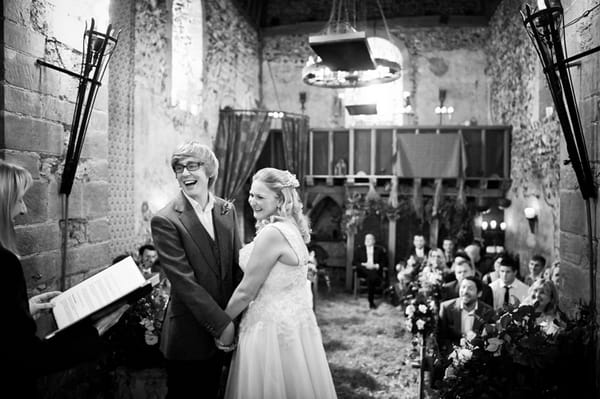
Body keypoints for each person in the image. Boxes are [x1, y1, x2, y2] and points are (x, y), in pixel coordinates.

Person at [0, 160, 128, 398]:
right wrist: (97, 331)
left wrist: (21, 310)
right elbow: (28, 358)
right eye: (19, 199)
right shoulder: (4, 264)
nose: (24, 209)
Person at [223, 168, 337, 399]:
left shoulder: (273, 233)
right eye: (252, 195)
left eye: (260, 197)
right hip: (293, 327)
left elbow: (246, 291)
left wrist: (220, 324)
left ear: (280, 200)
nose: (252, 201)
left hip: (269, 331)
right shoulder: (291, 228)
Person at [150, 142, 243, 399]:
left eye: (193, 166)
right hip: (189, 338)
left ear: (210, 171)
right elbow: (184, 284)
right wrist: (222, 324)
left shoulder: (227, 210)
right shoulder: (166, 219)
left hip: (227, 329)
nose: (185, 174)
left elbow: (238, 268)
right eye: (179, 168)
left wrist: (237, 318)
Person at [437, 276, 495, 357]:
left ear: (479, 293)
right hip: (451, 355)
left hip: (477, 358)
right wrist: (455, 353)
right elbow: (441, 337)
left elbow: (490, 340)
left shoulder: (488, 311)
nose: (465, 292)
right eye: (463, 287)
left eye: (470, 289)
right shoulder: (446, 308)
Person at [353, 233, 388, 309]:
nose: (367, 241)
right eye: (366, 239)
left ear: (374, 241)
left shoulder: (380, 250)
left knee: (371, 276)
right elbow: (355, 262)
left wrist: (375, 266)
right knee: (372, 276)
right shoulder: (359, 250)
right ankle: (371, 301)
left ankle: (371, 301)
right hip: (363, 270)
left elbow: (384, 262)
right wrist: (365, 265)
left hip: (375, 269)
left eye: (370, 239)